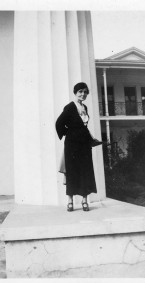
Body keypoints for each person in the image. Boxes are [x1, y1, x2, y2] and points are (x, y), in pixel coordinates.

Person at [56, 82, 100, 212]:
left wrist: (90, 138)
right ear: (75, 93)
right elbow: (59, 123)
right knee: (72, 171)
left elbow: (83, 126)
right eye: (80, 91)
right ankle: (70, 201)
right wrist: (69, 133)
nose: (83, 94)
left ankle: (84, 201)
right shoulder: (70, 107)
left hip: (84, 144)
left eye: (85, 92)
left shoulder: (85, 107)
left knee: (85, 171)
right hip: (72, 145)